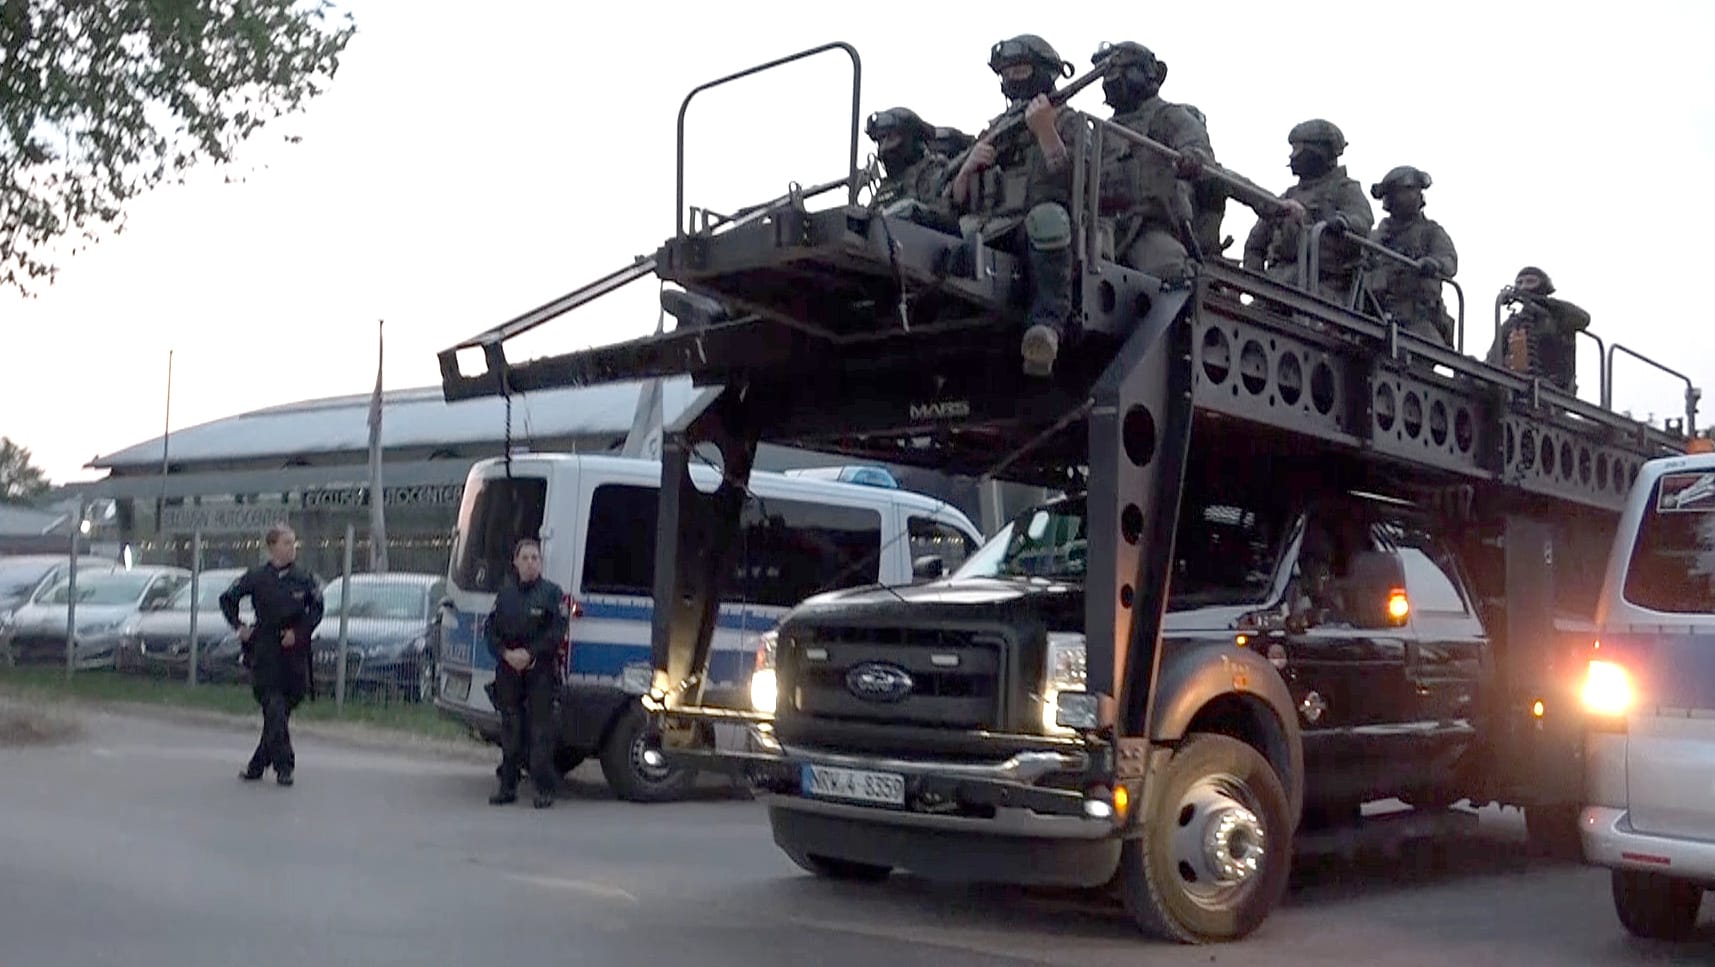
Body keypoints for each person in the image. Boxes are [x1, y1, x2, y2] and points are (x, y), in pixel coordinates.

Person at [947, 33, 1088, 377]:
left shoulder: (1069, 122)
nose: (1011, 79)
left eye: (1021, 70)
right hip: (989, 227)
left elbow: (1076, 184)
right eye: (1005, 73)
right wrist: (966, 170)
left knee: (1048, 219)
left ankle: (1046, 330)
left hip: (1035, 231)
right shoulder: (995, 129)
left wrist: (1044, 131)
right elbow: (953, 201)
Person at [1088, 40, 1209, 282]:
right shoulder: (1099, 130)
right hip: (1102, 222)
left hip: (1148, 225)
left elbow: (1196, 147)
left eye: (1117, 71)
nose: (1111, 81)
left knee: (1171, 275)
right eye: (1106, 75)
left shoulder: (1167, 116)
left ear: (1146, 73)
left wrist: (1192, 157)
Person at [220, 523, 323, 787]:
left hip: (294, 654)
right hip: (266, 652)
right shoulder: (257, 577)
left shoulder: (304, 578)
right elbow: (227, 599)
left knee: (279, 714)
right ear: (272, 547)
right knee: (273, 707)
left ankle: (257, 765)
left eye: (293, 543)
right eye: (286, 543)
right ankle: (284, 766)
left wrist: (299, 633)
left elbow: (317, 610)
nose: (292, 548)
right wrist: (239, 626)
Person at [1243, 119, 1373, 302]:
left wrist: (1343, 222)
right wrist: (1255, 281)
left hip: (1326, 287)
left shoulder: (1345, 189)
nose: (1292, 156)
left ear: (1319, 152)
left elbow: (1363, 220)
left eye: (1298, 150)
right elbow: (1255, 243)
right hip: (1277, 284)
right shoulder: (1288, 196)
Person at [484, 538, 569, 808]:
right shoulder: (505, 595)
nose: (531, 563)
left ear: (541, 564)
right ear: (516, 562)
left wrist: (530, 654)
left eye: (535, 558)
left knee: (540, 732)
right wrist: (506, 655)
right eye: (526, 558)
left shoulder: (551, 594)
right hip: (509, 671)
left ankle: (544, 789)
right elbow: (491, 631)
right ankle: (507, 787)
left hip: (540, 671)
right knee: (511, 729)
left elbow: (556, 630)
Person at [1366, 165, 1458, 346]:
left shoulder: (1431, 232)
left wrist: (1434, 264)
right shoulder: (1375, 238)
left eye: (1415, 191)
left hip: (1419, 320)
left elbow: (1449, 261)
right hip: (1376, 315)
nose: (1413, 196)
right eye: (1405, 191)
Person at [1487, 266, 1592, 393]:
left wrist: (1542, 302)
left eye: (1530, 282)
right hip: (1514, 386)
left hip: (1555, 388)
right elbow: (1492, 358)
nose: (1524, 287)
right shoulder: (1512, 324)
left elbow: (1583, 318)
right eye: (1519, 283)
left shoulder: (1559, 318)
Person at [866, 106, 957, 230]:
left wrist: (909, 211)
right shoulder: (885, 187)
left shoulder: (932, 171)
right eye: (881, 141)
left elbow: (943, 218)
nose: (884, 148)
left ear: (910, 139)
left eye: (891, 138)